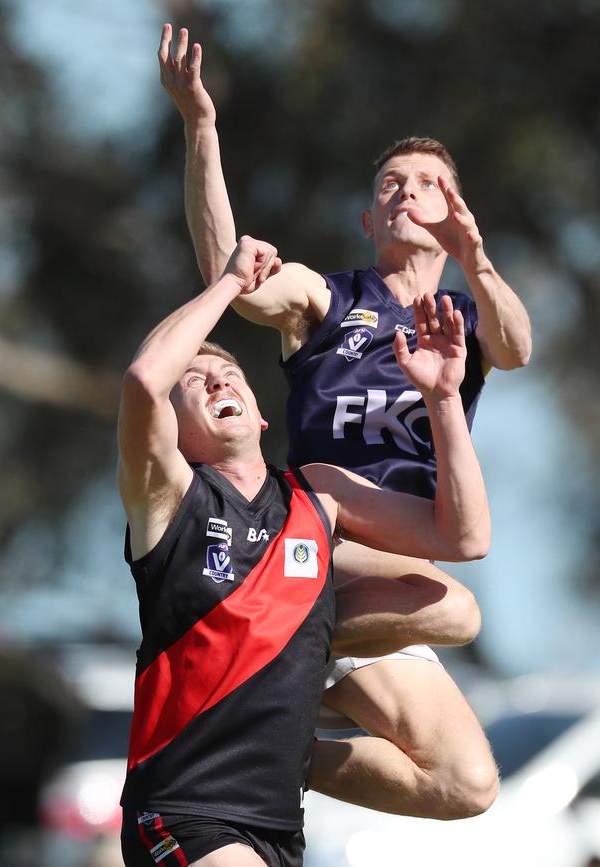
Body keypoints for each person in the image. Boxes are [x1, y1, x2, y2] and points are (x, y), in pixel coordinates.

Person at [157, 23, 532, 820]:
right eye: (389, 183)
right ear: (368, 220)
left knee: (466, 784)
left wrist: (478, 256)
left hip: (379, 584)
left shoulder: (464, 317)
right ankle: (256, 636)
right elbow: (231, 271)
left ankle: (249, 730)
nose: (404, 190)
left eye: (426, 182)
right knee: (454, 606)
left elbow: (519, 344)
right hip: (316, 541)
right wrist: (201, 127)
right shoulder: (332, 300)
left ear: (453, 209)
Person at [117, 234, 490, 867]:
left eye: (229, 374)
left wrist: (445, 400)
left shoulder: (318, 495)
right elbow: (146, 378)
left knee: (467, 750)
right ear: (171, 432)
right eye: (195, 384)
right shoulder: (169, 498)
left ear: (263, 416)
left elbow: (463, 539)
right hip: (185, 809)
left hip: (279, 826)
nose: (214, 382)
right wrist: (232, 284)